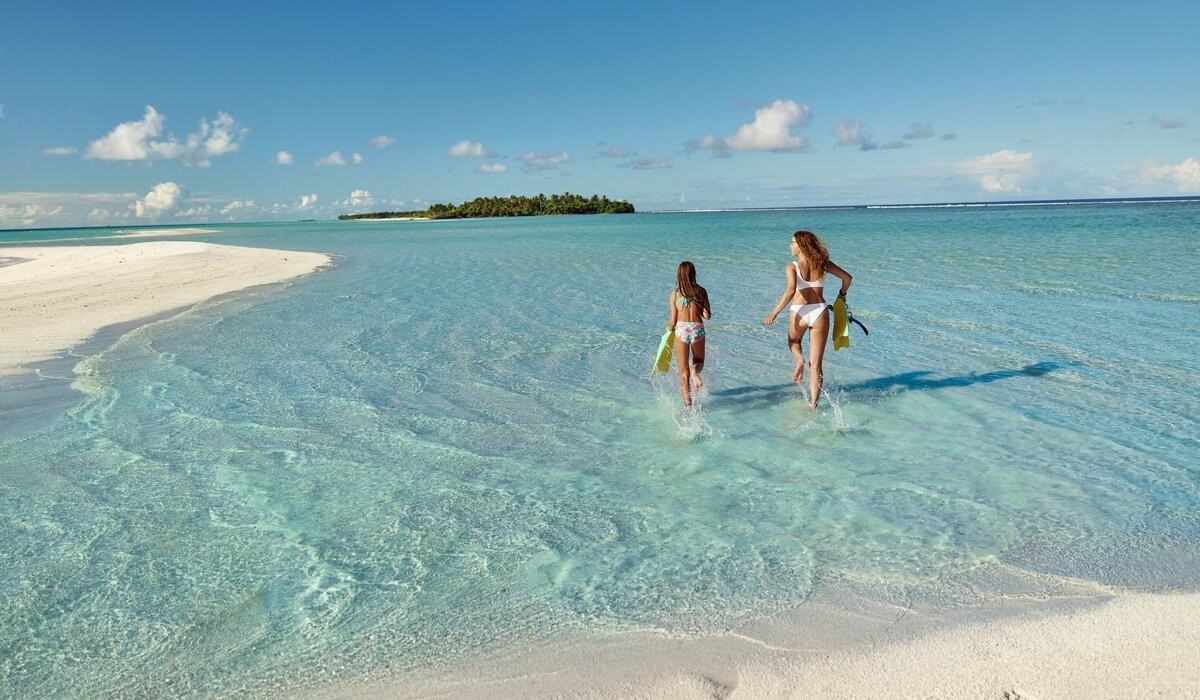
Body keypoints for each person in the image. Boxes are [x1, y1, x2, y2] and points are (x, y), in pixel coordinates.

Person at [763, 230, 853, 409]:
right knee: (817, 364)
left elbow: (790, 290)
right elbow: (847, 278)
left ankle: (799, 361)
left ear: (801, 246)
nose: (790, 246)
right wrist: (842, 295)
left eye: (793, 243)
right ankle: (813, 404)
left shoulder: (792, 267)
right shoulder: (822, 264)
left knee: (794, 341)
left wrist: (774, 313)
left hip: (799, 311)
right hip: (820, 311)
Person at [668, 261, 712, 408]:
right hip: (697, 328)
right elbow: (707, 315)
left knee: (683, 372)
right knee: (699, 362)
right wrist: (701, 308)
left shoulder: (675, 294)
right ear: (694, 274)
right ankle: (695, 373)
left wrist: (668, 332)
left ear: (679, 275)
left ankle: (688, 407)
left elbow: (673, 322)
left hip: (681, 330)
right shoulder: (701, 291)